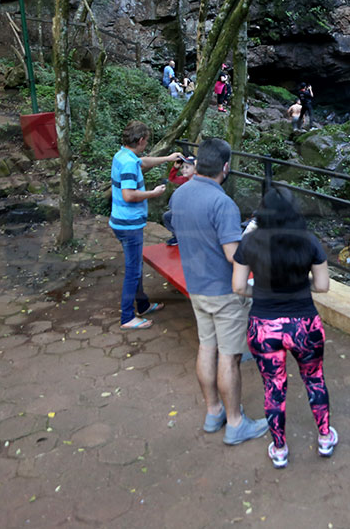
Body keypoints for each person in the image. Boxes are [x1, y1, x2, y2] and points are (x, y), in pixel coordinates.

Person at [168, 138, 269, 444]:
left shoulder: (179, 194)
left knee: (206, 347)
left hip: (196, 286)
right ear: (226, 167)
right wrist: (250, 238)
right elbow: (232, 254)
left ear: (198, 163)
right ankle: (236, 423)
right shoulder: (223, 203)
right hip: (224, 291)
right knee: (230, 357)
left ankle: (214, 412)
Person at [231, 187, 338, 468]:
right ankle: (325, 437)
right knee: (314, 379)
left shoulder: (250, 242)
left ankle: (279, 449)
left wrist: (264, 295)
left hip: (264, 327)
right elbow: (323, 285)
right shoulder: (308, 241)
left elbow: (239, 286)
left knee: (273, 387)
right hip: (304, 324)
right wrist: (302, 288)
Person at [109, 122, 182, 330]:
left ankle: (142, 304)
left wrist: (168, 159)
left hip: (122, 222)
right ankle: (127, 317)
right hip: (129, 224)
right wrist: (154, 193)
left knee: (136, 266)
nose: (146, 144)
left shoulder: (122, 156)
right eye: (146, 141)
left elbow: (143, 161)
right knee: (133, 270)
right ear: (140, 140)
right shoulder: (129, 164)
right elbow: (128, 194)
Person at [162, 155, 196, 246]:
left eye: (187, 167)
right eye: (183, 167)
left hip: (193, 211)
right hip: (182, 209)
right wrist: (175, 168)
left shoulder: (198, 181)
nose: (183, 169)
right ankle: (178, 236)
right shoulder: (184, 179)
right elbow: (172, 179)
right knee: (167, 216)